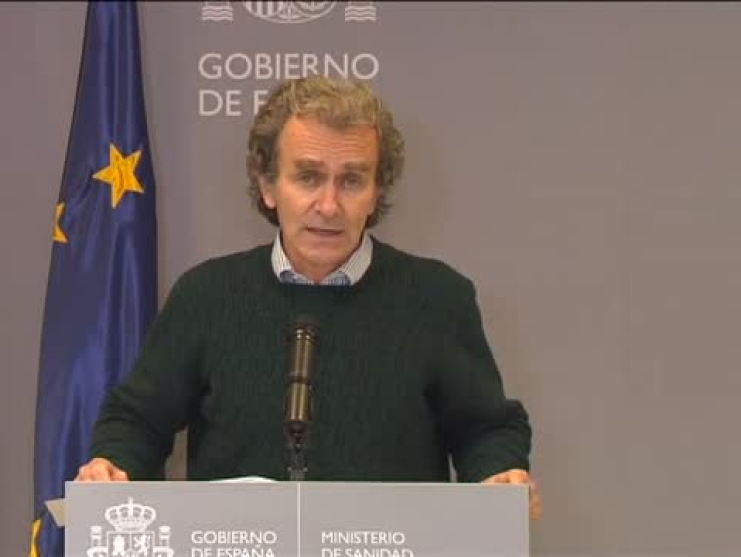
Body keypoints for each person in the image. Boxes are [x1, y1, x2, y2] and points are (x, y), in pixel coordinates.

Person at [76, 75, 541, 519]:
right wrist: (112, 464)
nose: (329, 205)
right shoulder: (206, 295)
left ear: (376, 193)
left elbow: (486, 429)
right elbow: (138, 419)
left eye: (352, 180)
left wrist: (498, 474)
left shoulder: (437, 298)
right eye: (308, 177)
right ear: (268, 185)